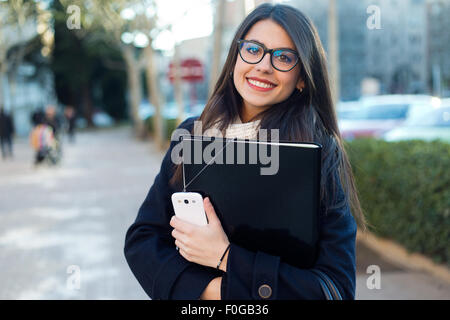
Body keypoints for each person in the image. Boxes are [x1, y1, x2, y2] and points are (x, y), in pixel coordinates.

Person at [124, 3, 366, 300]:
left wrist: (225, 256)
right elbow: (143, 241)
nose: (264, 65)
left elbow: (335, 289)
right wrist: (210, 292)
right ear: (236, 57)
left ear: (302, 78)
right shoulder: (192, 136)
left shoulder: (320, 154)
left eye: (284, 57)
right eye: (253, 49)